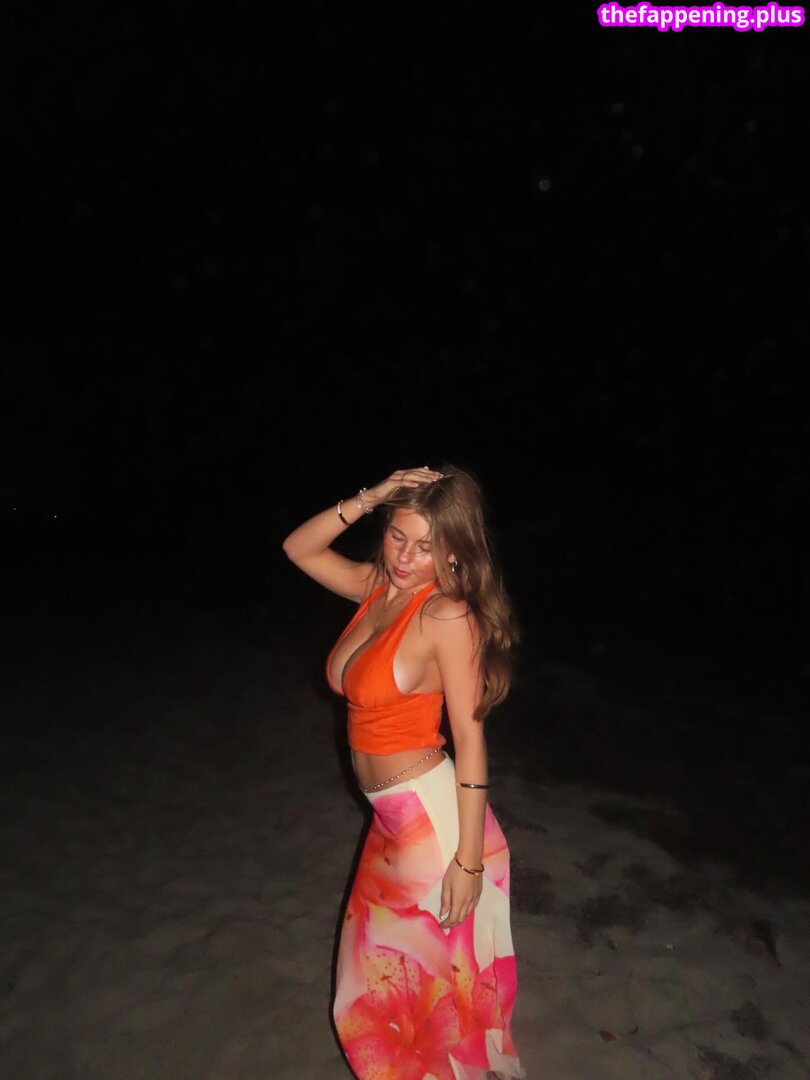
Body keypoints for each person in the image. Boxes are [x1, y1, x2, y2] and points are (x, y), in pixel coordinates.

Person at [283, 464, 525, 1080]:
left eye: (426, 547)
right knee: (377, 983)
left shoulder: (445, 615)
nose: (405, 558)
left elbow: (470, 739)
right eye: (398, 536)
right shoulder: (376, 587)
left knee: (412, 995)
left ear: (454, 553)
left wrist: (468, 860)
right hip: (391, 823)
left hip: (434, 827)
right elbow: (298, 548)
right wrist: (371, 497)